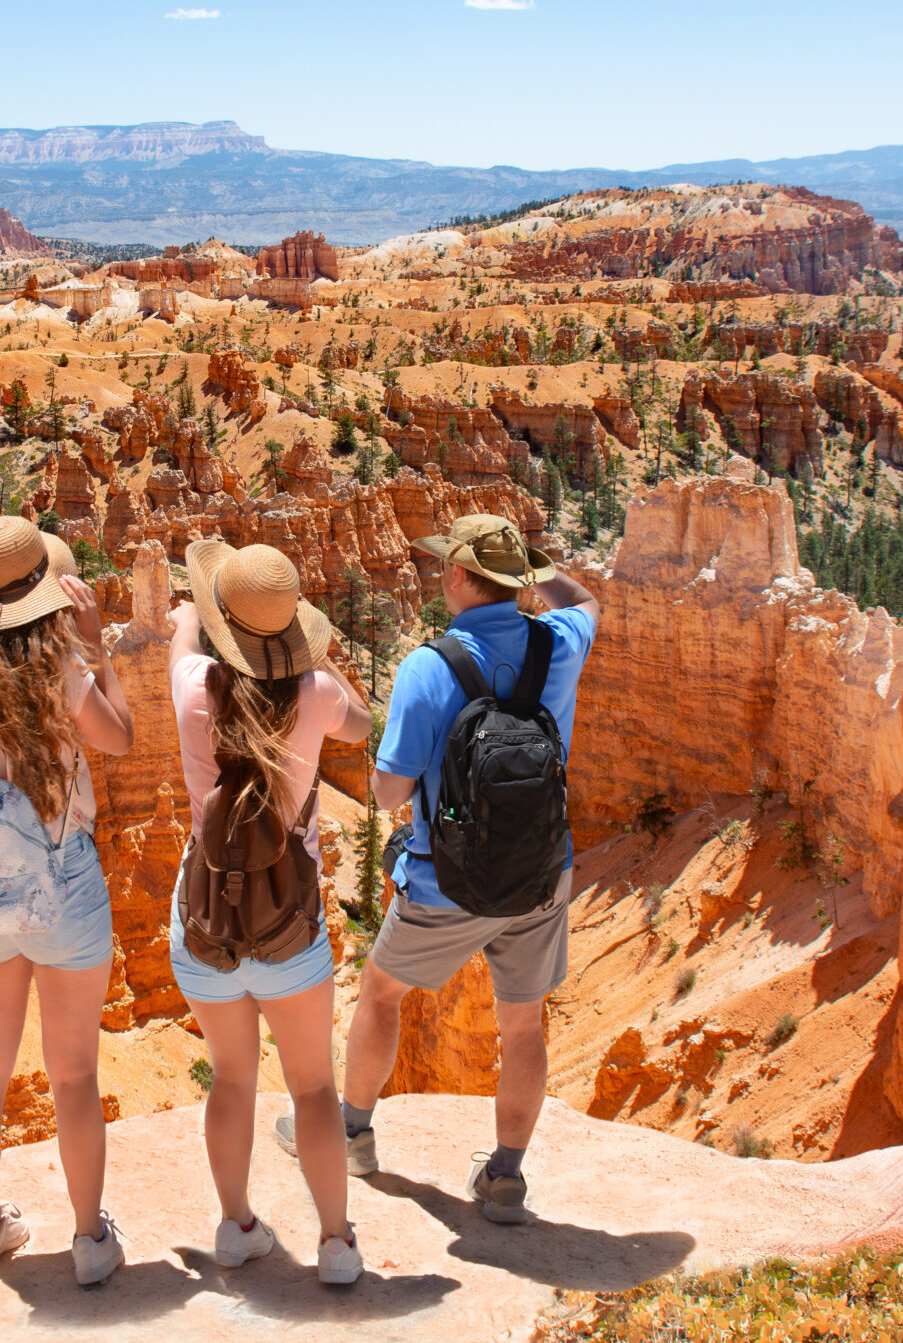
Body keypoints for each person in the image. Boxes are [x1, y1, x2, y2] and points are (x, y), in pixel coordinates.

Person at [279, 512, 597, 1225]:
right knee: (523, 1026)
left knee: (382, 990)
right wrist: (538, 568)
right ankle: (506, 1177)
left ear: (455, 575)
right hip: (541, 872)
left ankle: (352, 1133)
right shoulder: (561, 641)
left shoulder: (431, 663)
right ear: (517, 580)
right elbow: (585, 602)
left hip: (445, 881)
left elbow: (389, 790)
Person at [0, 515, 135, 1285]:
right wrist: (96, 647)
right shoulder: (62, 674)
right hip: (66, 882)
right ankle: (88, 1242)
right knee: (74, 1073)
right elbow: (117, 739)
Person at [166, 540, 375, 1286]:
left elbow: (182, 639)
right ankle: (336, 1245)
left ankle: (236, 1226)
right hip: (291, 923)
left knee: (232, 1078)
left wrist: (193, 613)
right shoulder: (315, 692)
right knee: (314, 1088)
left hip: (207, 920)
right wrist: (316, 656)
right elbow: (359, 720)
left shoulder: (192, 684)